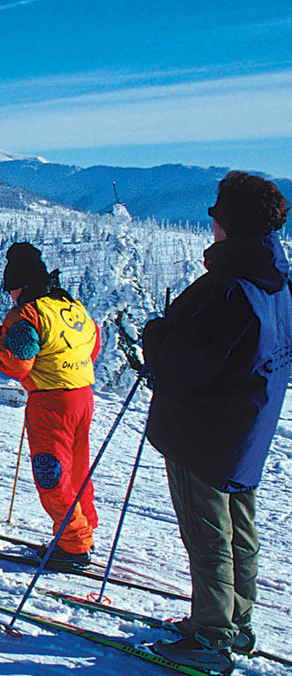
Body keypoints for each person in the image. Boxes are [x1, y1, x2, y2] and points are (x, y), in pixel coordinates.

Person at [141, 171, 292, 673]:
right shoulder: (277, 282)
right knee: (239, 529)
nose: (211, 221)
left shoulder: (228, 287)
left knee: (207, 534)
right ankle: (236, 622)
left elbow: (185, 365)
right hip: (246, 428)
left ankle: (210, 637)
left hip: (202, 432)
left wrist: (157, 340)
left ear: (228, 223)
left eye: (216, 213)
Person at [0, 242, 101, 571]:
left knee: (51, 473)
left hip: (51, 401)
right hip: (83, 395)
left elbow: (18, 364)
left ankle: (73, 545)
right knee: (77, 468)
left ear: (20, 285)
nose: (10, 297)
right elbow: (93, 342)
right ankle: (84, 527)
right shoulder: (70, 304)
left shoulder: (27, 313)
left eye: (11, 290)